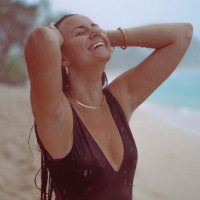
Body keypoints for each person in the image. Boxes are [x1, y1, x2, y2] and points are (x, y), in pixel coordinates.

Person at [24, 14, 193, 200]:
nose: (94, 31)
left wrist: (105, 37)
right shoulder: (57, 114)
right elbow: (41, 39)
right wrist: (60, 37)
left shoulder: (119, 98)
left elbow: (182, 34)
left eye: (96, 26)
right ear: (62, 58)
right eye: (80, 32)